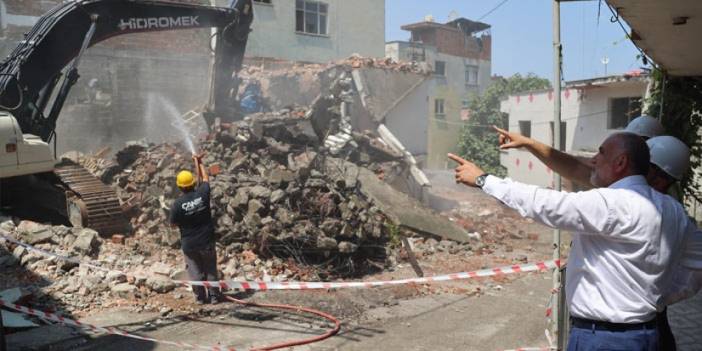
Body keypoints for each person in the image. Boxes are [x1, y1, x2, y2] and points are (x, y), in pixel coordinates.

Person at [448, 132, 702, 351]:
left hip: (603, 339)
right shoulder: (675, 211)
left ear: (622, 162)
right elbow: (695, 267)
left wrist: (484, 180)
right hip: (644, 333)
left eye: (600, 154)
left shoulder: (613, 203)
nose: (593, 160)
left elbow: (547, 204)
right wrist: (656, 298)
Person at [169, 154, 223, 304]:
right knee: (211, 268)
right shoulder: (202, 193)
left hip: (189, 244)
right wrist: (199, 162)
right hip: (206, 240)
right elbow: (206, 178)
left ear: (179, 186)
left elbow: (172, 224)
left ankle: (200, 298)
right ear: (193, 183)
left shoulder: (177, 204)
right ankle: (214, 297)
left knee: (195, 271)